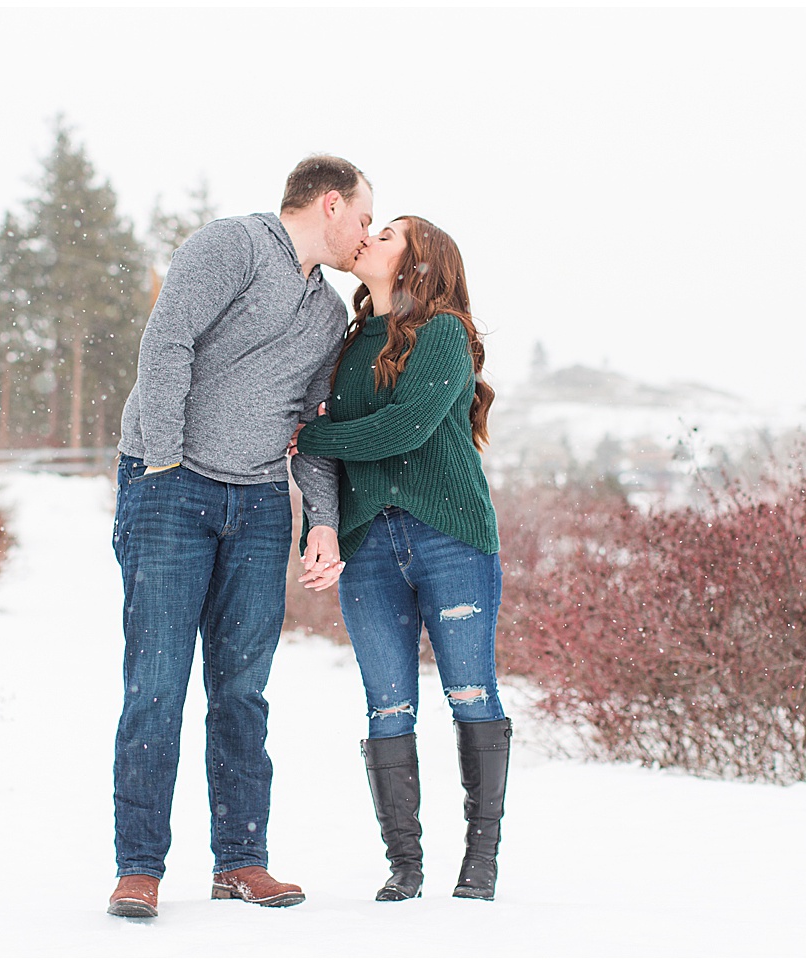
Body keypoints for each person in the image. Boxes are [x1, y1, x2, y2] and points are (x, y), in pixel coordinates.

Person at [106, 155, 371, 918]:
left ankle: (241, 860)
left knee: (241, 692)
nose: (364, 233)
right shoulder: (231, 245)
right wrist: (161, 459)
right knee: (155, 684)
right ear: (330, 203)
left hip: (257, 506)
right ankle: (139, 867)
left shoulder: (326, 314)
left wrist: (320, 517)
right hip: (171, 488)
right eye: (362, 217)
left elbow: (312, 429)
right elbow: (167, 343)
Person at [291, 216, 512, 902]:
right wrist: (319, 527)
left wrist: (315, 433)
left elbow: (404, 427)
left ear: (419, 260)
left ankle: (480, 860)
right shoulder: (351, 343)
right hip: (370, 548)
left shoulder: (445, 331)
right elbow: (333, 454)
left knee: (470, 693)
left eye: (387, 235)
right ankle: (405, 865)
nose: (369, 238)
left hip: (450, 537)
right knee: (387, 708)